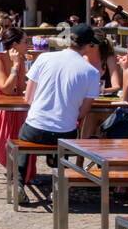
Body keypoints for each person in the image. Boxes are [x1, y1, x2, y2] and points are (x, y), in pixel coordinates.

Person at [19, 24, 102, 157]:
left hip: (35, 128)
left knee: (24, 140)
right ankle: (58, 166)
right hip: (66, 132)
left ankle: (22, 169)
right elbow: (82, 112)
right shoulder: (92, 72)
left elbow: (28, 99)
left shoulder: (44, 57)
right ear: (88, 45)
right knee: (65, 140)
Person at [0, 27, 36, 181]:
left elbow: (21, 88)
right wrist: (15, 66)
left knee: (28, 125)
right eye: (25, 42)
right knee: (11, 121)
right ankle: (15, 167)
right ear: (14, 44)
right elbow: (6, 89)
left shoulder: (21, 59)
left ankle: (23, 171)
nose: (28, 45)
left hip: (12, 102)